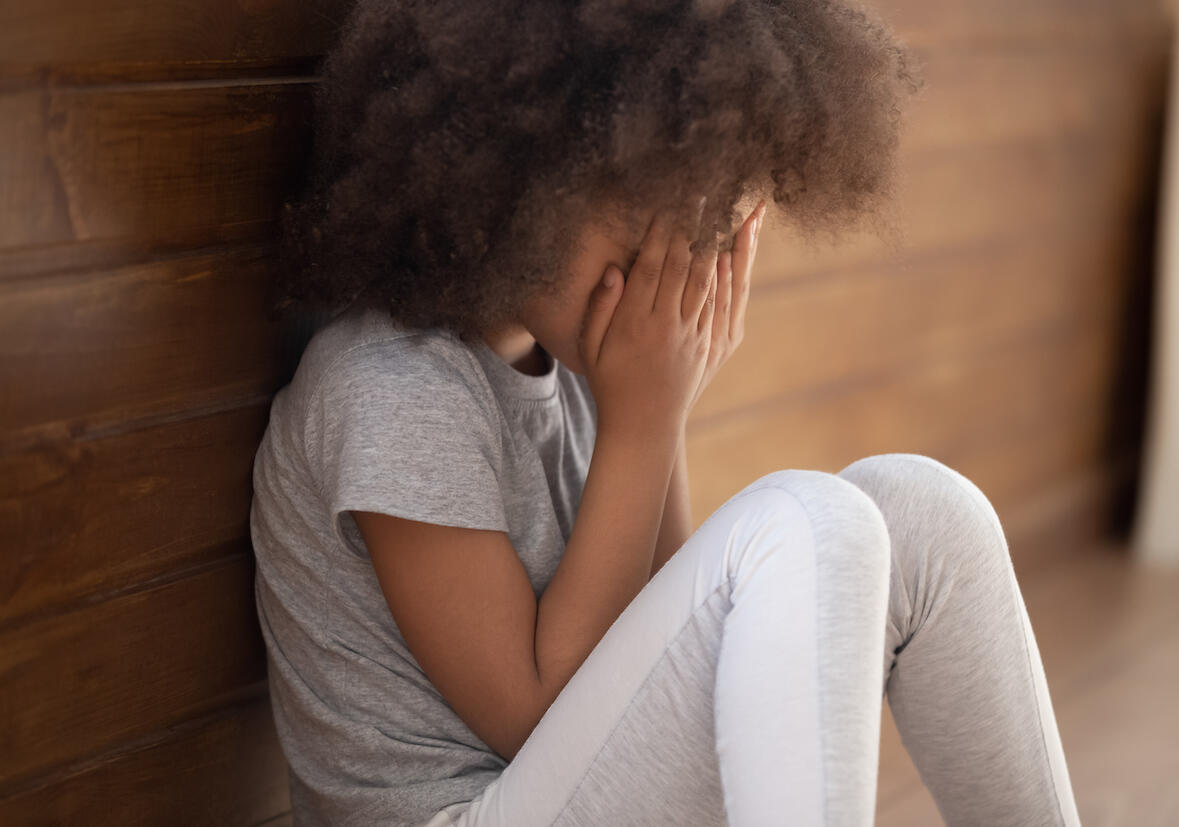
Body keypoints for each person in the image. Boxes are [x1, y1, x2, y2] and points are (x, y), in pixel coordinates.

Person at [250, 0, 1083, 824]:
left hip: (580, 789)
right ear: (513, 184)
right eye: (642, 245)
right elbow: (537, 720)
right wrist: (646, 418)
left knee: (923, 509)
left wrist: (657, 405)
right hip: (475, 806)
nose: (670, 278)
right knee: (812, 518)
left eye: (702, 238)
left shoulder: (582, 370)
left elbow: (660, 638)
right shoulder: (388, 385)